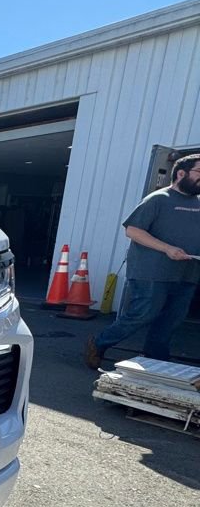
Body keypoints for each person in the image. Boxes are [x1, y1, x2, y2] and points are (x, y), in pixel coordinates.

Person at [85, 153, 200, 367]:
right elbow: (133, 230)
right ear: (181, 173)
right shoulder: (159, 199)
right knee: (144, 313)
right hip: (152, 272)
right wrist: (167, 249)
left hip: (187, 273)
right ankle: (99, 343)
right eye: (199, 172)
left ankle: (156, 358)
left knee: (172, 320)